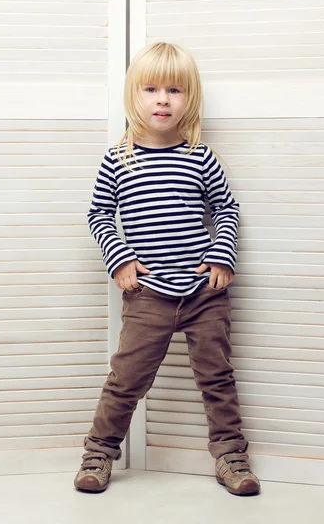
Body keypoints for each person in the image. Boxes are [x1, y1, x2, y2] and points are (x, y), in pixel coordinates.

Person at [74, 42, 261, 496]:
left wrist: (221, 254)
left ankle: (232, 457)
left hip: (204, 293)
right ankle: (98, 452)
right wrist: (120, 259)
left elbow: (227, 209)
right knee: (126, 379)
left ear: (189, 98)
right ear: (134, 96)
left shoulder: (200, 156)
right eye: (151, 89)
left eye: (174, 90)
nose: (162, 99)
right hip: (148, 295)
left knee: (217, 378)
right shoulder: (119, 159)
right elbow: (100, 214)